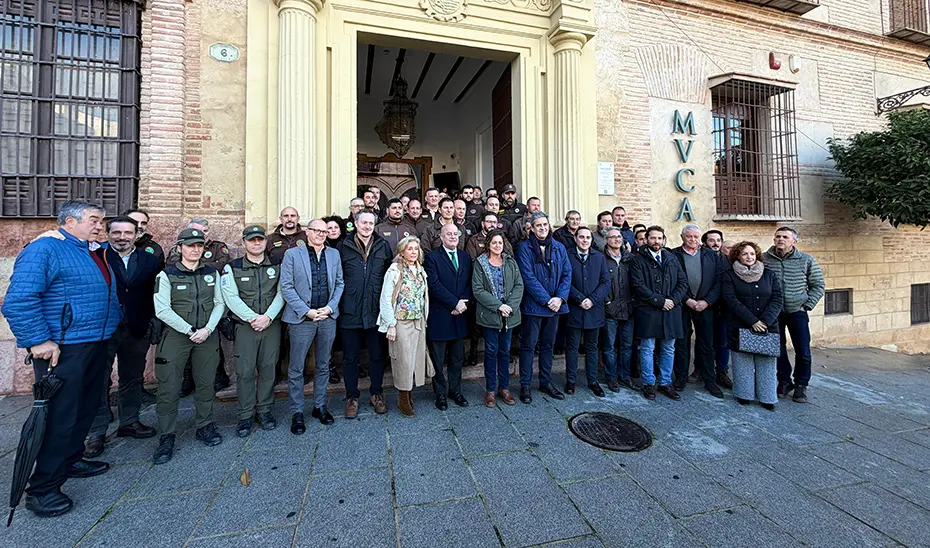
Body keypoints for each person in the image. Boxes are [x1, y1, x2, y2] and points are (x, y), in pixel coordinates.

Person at [2, 200, 121, 517]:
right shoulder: (45, 249)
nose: (99, 226)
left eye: (100, 221)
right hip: (64, 348)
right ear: (70, 222)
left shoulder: (92, 250)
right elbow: (19, 300)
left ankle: (70, 460)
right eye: (93, 220)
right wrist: (38, 340)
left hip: (95, 341)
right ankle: (42, 489)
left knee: (84, 408)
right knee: (59, 416)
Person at [84, 216, 161, 458]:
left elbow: (155, 292)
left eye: (128, 233)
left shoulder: (149, 260)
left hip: (137, 327)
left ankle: (129, 421)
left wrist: (153, 320)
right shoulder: (96, 257)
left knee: (132, 377)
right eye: (116, 233)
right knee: (98, 380)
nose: (122, 237)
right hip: (103, 328)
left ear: (136, 234)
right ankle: (96, 432)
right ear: (108, 234)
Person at [152, 227, 227, 464]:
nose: (195, 249)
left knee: (206, 383)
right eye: (190, 245)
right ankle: (167, 435)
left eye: (199, 245)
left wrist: (208, 329)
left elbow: (219, 303)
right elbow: (162, 309)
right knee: (169, 386)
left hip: (206, 335)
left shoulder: (211, 273)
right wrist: (189, 330)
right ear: (179, 248)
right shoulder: (167, 275)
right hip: (177, 335)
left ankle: (204, 424)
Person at [281, 219, 344, 432]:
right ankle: (297, 411)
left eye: (324, 231)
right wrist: (305, 310)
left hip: (327, 317)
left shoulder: (334, 254)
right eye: (316, 230)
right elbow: (286, 287)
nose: (320, 234)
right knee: (297, 367)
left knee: (324, 364)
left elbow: (339, 283)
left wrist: (330, 307)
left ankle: (319, 406)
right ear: (307, 231)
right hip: (302, 318)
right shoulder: (292, 254)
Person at [221, 225, 285, 438]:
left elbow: (282, 292)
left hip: (271, 324)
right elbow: (230, 296)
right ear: (244, 242)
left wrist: (268, 317)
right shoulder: (233, 267)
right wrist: (252, 318)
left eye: (260, 239)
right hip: (245, 326)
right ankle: (245, 414)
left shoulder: (276, 264)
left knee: (268, 368)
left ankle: (265, 410)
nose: (256, 243)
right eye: (252, 240)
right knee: (245, 371)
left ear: (265, 242)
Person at [167, 218, 232, 394]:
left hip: (209, 300)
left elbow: (223, 265)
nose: (202, 234)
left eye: (205, 230)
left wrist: (196, 266)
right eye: (197, 230)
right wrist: (205, 267)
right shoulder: (176, 248)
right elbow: (172, 265)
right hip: (184, 301)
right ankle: (188, 380)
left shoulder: (218, 247)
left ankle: (218, 377)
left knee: (212, 343)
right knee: (186, 343)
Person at [338, 211, 393, 418]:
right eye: (364, 222)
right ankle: (352, 397)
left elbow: (389, 276)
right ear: (355, 223)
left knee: (377, 356)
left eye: (371, 223)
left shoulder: (382, 245)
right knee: (350, 357)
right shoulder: (343, 246)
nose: (367, 226)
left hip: (375, 310)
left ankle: (376, 393)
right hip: (349, 310)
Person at [763, 227, 824, 403]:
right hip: (774, 312)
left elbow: (818, 285)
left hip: (798, 312)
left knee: (803, 350)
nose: (780, 239)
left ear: (794, 242)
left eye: (785, 237)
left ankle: (801, 385)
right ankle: (784, 381)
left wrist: (807, 305)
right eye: (778, 236)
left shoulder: (806, 260)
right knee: (778, 349)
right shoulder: (764, 259)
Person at [516, 211, 571, 403]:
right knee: (528, 346)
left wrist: (560, 298)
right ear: (531, 228)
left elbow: (567, 274)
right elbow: (527, 277)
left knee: (548, 346)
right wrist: (547, 300)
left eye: (545, 225)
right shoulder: (524, 248)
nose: (542, 228)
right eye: (538, 225)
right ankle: (525, 385)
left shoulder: (559, 247)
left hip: (555, 306)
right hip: (534, 306)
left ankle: (545, 382)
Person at [722, 241, 783, 410]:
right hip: (740, 325)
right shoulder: (729, 276)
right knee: (743, 362)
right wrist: (752, 321)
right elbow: (731, 300)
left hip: (767, 326)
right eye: (744, 254)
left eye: (752, 254)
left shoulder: (769, 275)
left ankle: (767, 397)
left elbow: (777, 299)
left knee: (766, 363)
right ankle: (744, 394)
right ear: (737, 256)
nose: (749, 257)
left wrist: (765, 321)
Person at [630, 226, 688, 401]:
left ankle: (665, 382)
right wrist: (659, 301)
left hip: (671, 310)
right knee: (647, 348)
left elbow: (683, 282)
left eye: (659, 238)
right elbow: (638, 285)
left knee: (669, 348)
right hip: (648, 310)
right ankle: (648, 383)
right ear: (646, 239)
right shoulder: (637, 260)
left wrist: (673, 300)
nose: (656, 241)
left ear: (663, 239)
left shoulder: (672, 258)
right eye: (653, 238)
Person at [378, 236, 431, 417]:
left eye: (416, 249)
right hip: (400, 322)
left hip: (418, 321)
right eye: (409, 249)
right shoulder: (394, 270)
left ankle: (409, 393)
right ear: (402, 252)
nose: (413, 252)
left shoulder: (420, 269)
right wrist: (390, 324)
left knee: (415, 358)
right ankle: (402, 398)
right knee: (403, 360)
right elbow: (385, 298)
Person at [671, 224, 725, 398]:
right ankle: (681, 377)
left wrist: (707, 301)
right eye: (689, 236)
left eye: (695, 236)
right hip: (683, 304)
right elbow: (671, 281)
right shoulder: (674, 255)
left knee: (707, 343)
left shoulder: (712, 255)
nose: (692, 240)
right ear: (682, 237)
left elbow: (719, 281)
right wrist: (687, 299)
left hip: (705, 305)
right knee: (682, 342)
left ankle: (710, 380)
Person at [424, 223, 473, 409]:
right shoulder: (432, 257)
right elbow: (434, 285)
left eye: (456, 233)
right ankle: (440, 394)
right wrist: (454, 303)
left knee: (457, 358)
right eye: (449, 234)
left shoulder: (465, 257)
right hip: (440, 316)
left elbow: (469, 282)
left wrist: (463, 303)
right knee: (438, 359)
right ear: (441, 237)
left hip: (460, 314)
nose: (453, 237)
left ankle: (455, 391)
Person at [472, 230, 523, 407]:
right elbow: (478, 289)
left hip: (509, 316)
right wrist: (498, 306)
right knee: (491, 351)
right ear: (488, 244)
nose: (497, 245)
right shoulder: (480, 263)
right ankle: (491, 389)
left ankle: (505, 388)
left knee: (505, 352)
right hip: (490, 315)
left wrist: (510, 307)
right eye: (494, 242)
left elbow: (519, 285)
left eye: (500, 242)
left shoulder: (510, 262)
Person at [565, 227, 611, 397]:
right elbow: (564, 280)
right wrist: (579, 298)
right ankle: (571, 381)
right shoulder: (567, 255)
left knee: (592, 347)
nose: (585, 240)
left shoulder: (599, 257)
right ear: (575, 238)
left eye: (588, 238)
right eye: (581, 237)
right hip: (574, 308)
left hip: (594, 309)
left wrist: (592, 299)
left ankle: (593, 381)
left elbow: (605, 282)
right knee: (572, 347)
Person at [602, 227, 635, 392]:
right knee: (609, 346)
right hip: (610, 309)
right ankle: (611, 377)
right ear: (606, 240)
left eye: (619, 237)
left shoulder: (630, 259)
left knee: (627, 346)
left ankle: (624, 376)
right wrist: (607, 302)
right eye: (613, 237)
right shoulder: (601, 259)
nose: (617, 239)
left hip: (629, 309)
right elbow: (599, 283)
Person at [703, 229, 732, 389]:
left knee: (723, 341)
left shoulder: (728, 261)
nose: (715, 244)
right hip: (705, 304)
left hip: (723, 307)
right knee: (705, 339)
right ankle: (701, 369)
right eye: (711, 240)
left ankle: (722, 371)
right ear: (705, 242)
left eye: (718, 240)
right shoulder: (701, 258)